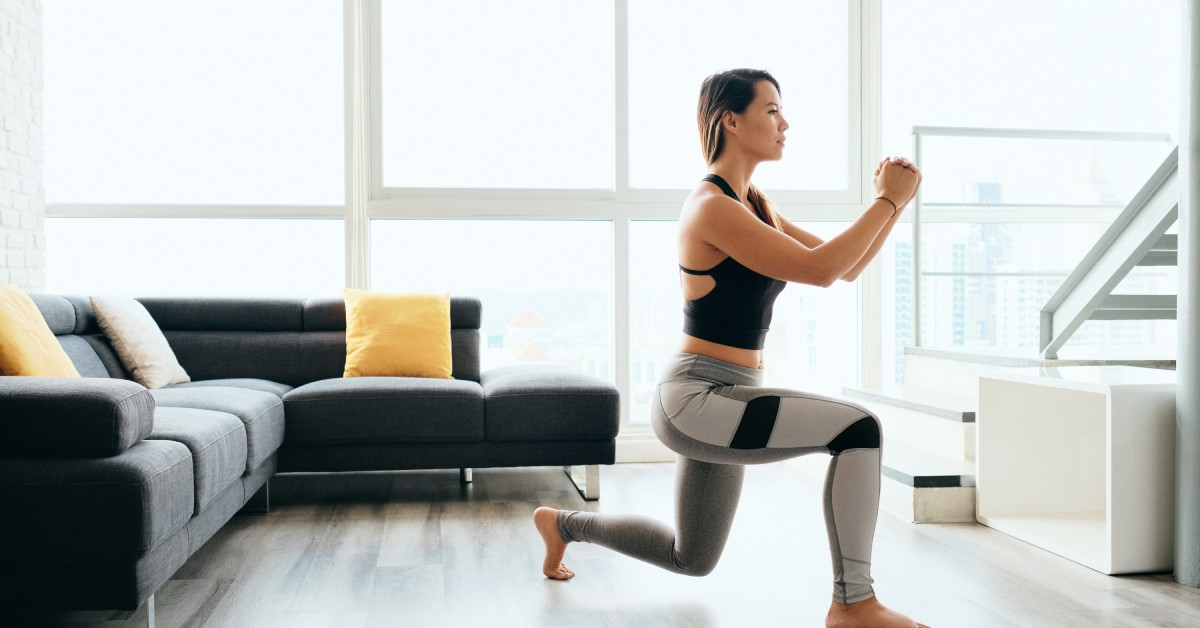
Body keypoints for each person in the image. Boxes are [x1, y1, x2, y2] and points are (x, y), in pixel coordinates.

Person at [534, 68, 925, 628]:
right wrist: (888, 200)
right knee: (859, 429)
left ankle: (562, 525)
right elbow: (820, 270)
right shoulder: (712, 207)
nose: (784, 123)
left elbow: (846, 269)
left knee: (690, 558)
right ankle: (853, 602)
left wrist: (894, 203)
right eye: (772, 111)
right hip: (698, 398)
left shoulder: (754, 202)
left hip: (728, 400)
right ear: (731, 120)